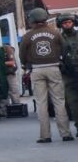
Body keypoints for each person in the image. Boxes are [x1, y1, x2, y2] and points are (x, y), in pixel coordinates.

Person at [19, 8, 72, 143]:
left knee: (41, 103)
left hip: (36, 70)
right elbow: (65, 48)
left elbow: (22, 54)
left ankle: (45, 135)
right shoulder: (55, 33)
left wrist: (26, 65)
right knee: (59, 102)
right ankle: (65, 134)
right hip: (54, 68)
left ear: (32, 20)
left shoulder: (28, 36)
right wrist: (60, 60)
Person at [57, 14, 78, 133]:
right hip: (68, 75)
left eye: (69, 22)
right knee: (73, 103)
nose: (67, 25)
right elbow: (55, 54)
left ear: (74, 22)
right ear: (61, 25)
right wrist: (61, 65)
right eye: (64, 23)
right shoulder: (59, 38)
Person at [0, 43, 21, 116]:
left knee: (5, 92)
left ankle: (3, 110)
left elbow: (11, 62)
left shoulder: (3, 50)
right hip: (9, 74)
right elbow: (12, 62)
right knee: (13, 91)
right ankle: (17, 107)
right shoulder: (9, 49)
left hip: (3, 74)